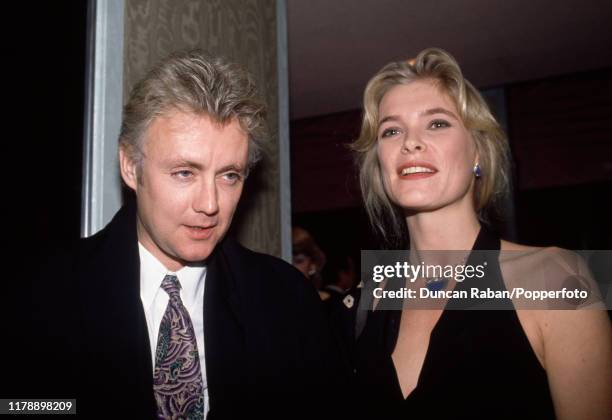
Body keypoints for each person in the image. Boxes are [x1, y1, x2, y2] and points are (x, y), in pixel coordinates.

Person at [31, 50, 345, 419]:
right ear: (131, 167)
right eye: (184, 173)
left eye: (229, 175)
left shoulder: (286, 298)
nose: (210, 204)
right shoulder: (43, 292)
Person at [350, 48, 612, 419]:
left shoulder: (552, 277)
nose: (410, 142)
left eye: (437, 123)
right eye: (391, 130)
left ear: (477, 152)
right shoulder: (368, 299)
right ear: (380, 166)